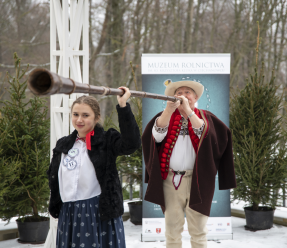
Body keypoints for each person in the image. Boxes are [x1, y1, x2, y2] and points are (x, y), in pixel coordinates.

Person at [142, 80, 236, 248]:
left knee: (198, 231)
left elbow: (204, 134)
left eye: (187, 93)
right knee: (172, 231)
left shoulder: (206, 117)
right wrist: (168, 111)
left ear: (195, 97)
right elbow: (156, 136)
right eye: (179, 93)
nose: (183, 96)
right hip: (171, 181)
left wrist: (188, 112)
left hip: (199, 182)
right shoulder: (164, 117)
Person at [47, 87, 141, 248]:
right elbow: (54, 176)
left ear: (97, 117)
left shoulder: (107, 139)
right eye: (75, 114)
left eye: (85, 115)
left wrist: (123, 106)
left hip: (98, 210)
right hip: (69, 211)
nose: (79, 120)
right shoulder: (63, 143)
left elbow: (131, 144)